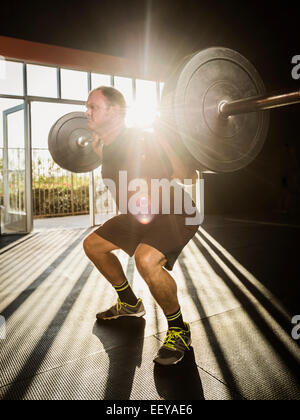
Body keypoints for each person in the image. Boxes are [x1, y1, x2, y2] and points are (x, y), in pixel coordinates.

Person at [83, 86, 200, 366]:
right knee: (93, 246)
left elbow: (190, 177)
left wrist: (168, 145)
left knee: (146, 260)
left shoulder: (143, 139)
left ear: (114, 111)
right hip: (139, 215)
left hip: (174, 210)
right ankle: (129, 303)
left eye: (93, 107)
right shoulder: (104, 147)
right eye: (86, 107)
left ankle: (178, 328)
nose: (86, 112)